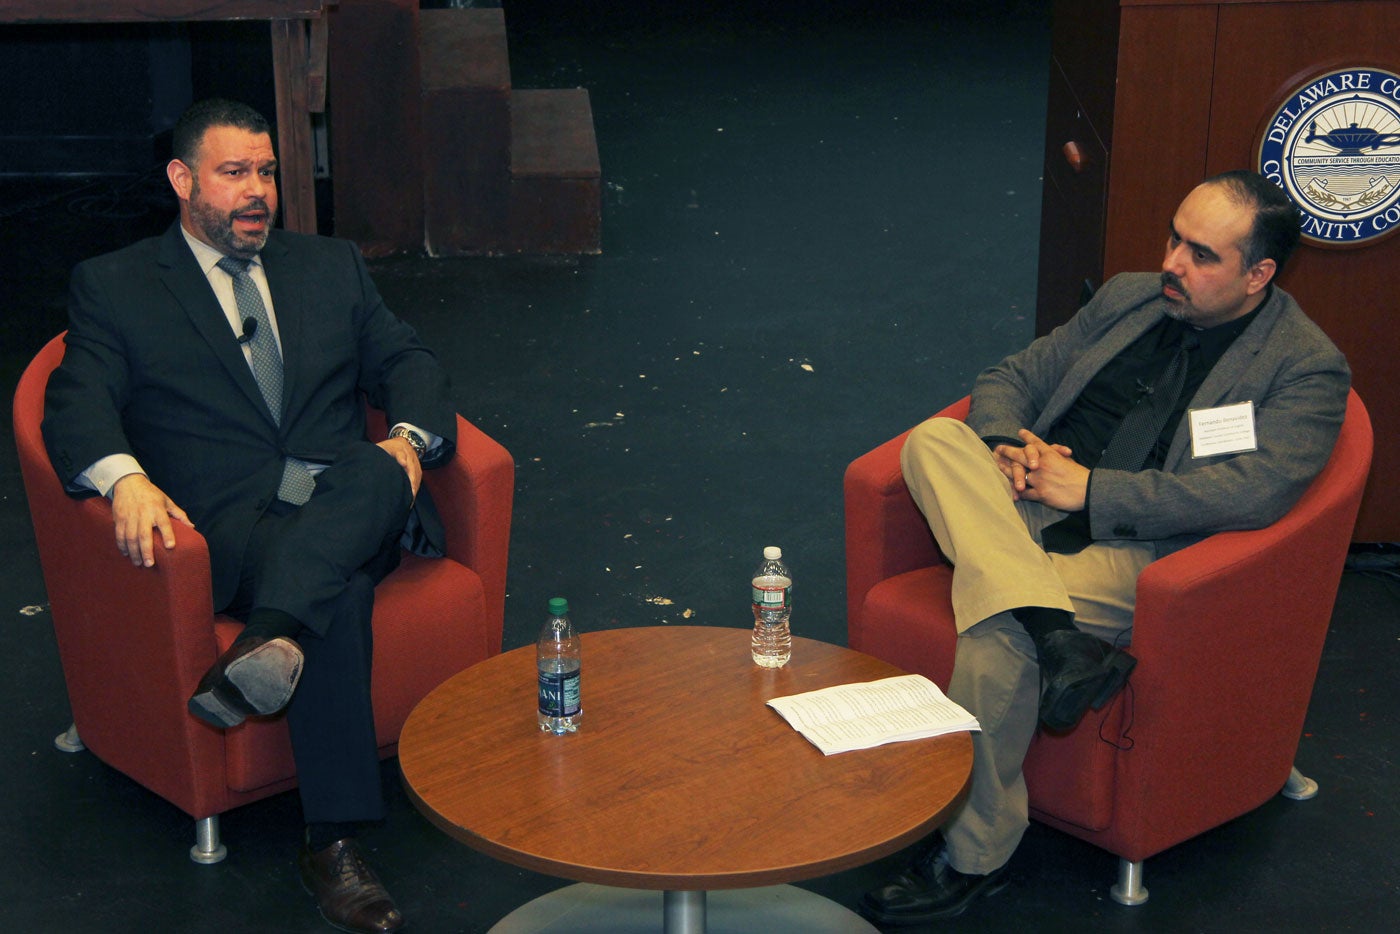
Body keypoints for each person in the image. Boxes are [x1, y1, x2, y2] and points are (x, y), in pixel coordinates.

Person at [859, 170, 1350, 927]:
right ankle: (1058, 635)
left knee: (996, 635)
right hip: (1019, 508)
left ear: (1259, 275)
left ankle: (972, 855)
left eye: (1201, 255)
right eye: (1173, 239)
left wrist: (1088, 491)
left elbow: (1256, 491)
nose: (1173, 265)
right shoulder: (1129, 295)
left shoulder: (1303, 366)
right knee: (935, 441)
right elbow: (1013, 377)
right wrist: (1000, 449)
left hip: (1138, 553)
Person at [42, 98, 459, 934]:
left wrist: (411, 439)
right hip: (235, 528)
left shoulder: (329, 265)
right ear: (182, 179)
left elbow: (407, 358)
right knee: (334, 586)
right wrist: (122, 478)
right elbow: (74, 402)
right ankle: (333, 842)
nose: (258, 191)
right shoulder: (118, 286)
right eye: (235, 173)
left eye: (267, 171)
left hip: (351, 494)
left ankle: (270, 644)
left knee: (382, 470)